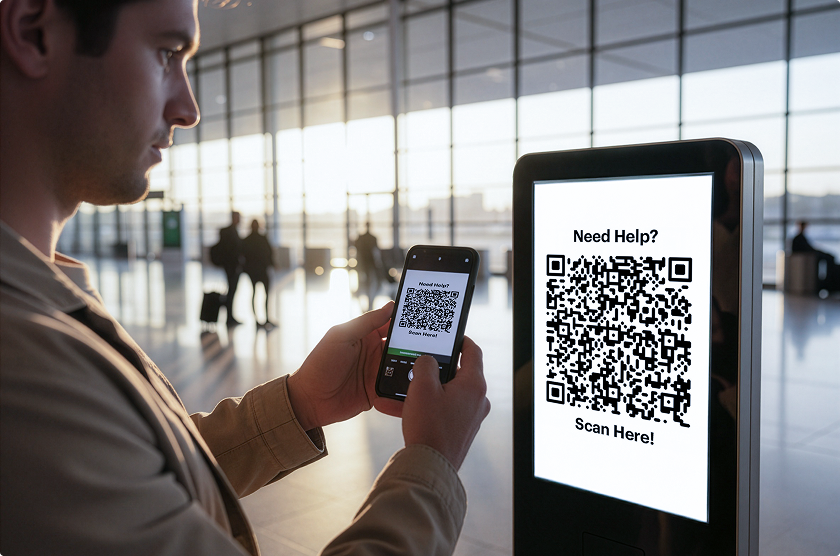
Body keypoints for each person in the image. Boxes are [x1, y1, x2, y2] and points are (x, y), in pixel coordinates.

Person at [0, 2, 491, 556]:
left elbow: (129, 474)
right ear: (34, 33)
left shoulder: (39, 301)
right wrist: (432, 465)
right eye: (166, 53)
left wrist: (299, 405)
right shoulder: (23, 366)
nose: (188, 109)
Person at [242, 218, 275, 329]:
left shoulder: (247, 240)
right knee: (264, 294)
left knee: (255, 293)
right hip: (261, 269)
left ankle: (258, 319)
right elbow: (268, 253)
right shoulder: (262, 239)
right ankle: (265, 318)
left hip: (253, 270)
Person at [791, 220, 839, 292]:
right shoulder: (798, 238)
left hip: (811, 254)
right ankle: (830, 283)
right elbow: (806, 249)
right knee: (829, 257)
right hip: (810, 256)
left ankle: (831, 282)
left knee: (829, 257)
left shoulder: (801, 237)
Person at [219, 211, 244, 326]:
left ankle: (230, 316)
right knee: (231, 290)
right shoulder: (230, 232)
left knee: (232, 290)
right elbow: (231, 250)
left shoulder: (231, 231)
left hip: (231, 265)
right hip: (231, 266)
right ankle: (229, 317)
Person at [354, 222, 384, 310]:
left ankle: (365, 287)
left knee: (363, 275)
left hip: (364, 260)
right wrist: (378, 261)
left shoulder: (361, 238)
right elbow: (375, 251)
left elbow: (358, 250)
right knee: (369, 275)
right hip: (369, 260)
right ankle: (368, 288)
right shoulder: (372, 238)